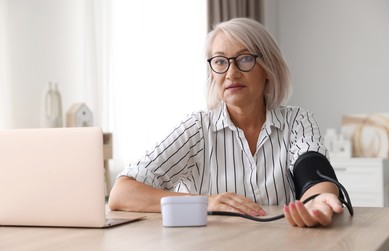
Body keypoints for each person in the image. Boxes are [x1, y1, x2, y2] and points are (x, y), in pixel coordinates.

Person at [108, 17, 345, 228]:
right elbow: (123, 193)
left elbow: (313, 173)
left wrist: (318, 202)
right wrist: (207, 202)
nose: (231, 73)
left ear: (268, 69)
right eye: (220, 62)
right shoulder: (196, 129)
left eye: (244, 59)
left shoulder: (297, 121)